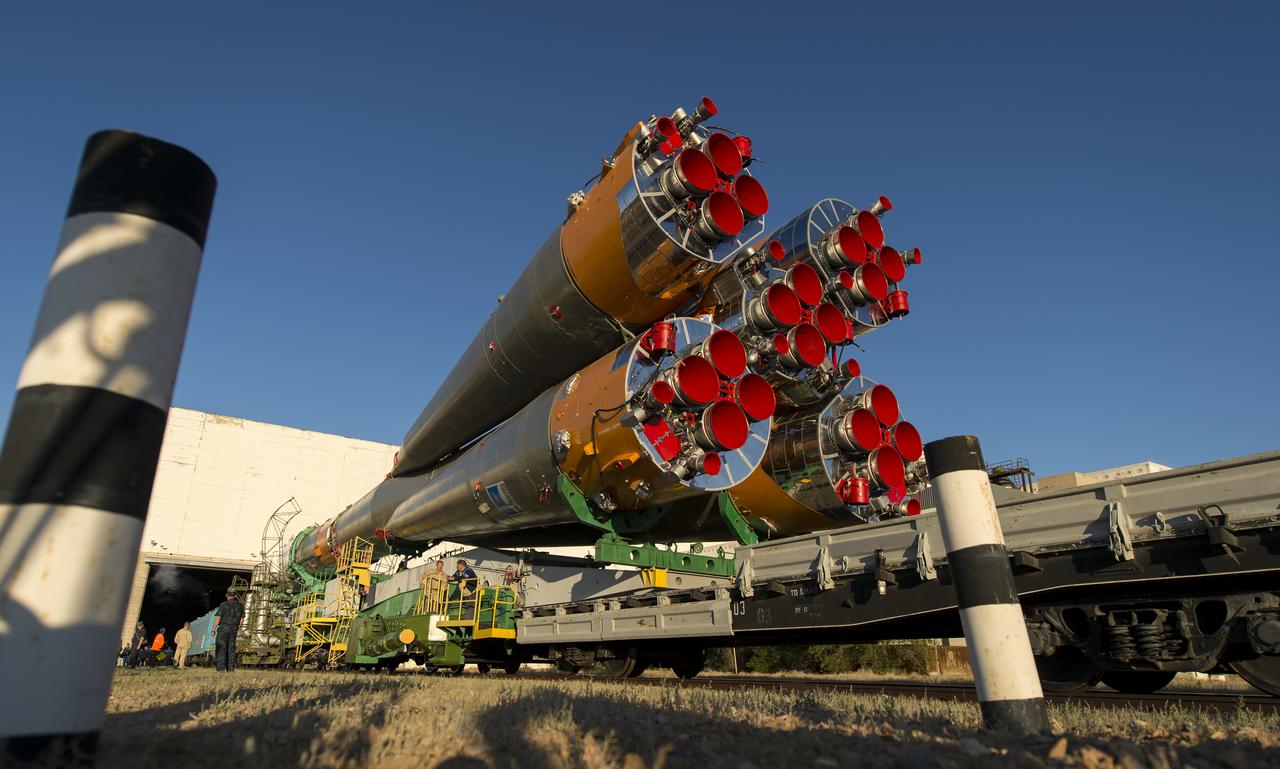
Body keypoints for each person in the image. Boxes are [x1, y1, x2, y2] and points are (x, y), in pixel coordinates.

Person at [212, 588, 244, 672]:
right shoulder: (240, 605)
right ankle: (230, 669)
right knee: (231, 648)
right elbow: (241, 620)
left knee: (221, 647)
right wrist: (237, 628)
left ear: (226, 595)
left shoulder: (223, 604)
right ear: (235, 595)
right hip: (234, 629)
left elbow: (218, 617)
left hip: (223, 628)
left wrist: (214, 629)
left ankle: (221, 669)